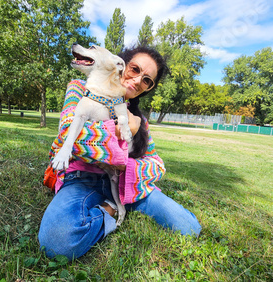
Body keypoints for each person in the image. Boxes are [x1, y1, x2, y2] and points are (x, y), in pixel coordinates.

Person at [38, 46, 201, 260]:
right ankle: (110, 210)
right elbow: (67, 135)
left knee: (189, 228)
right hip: (83, 179)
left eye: (146, 80)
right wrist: (119, 133)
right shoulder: (81, 88)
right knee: (56, 243)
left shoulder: (138, 119)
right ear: (121, 63)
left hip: (128, 185)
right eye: (135, 69)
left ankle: (119, 202)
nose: (137, 80)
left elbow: (157, 164)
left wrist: (127, 166)